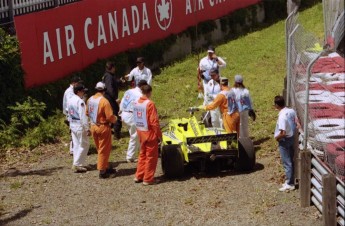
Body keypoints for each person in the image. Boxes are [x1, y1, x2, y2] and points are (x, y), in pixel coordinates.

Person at [133, 84, 162, 185]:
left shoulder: (136, 102)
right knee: (151, 157)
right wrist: (159, 135)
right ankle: (148, 179)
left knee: (142, 155)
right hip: (149, 133)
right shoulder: (150, 104)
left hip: (140, 131)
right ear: (150, 92)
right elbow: (154, 122)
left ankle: (139, 175)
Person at [87, 82, 118, 179]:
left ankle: (105, 166)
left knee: (99, 148)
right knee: (104, 150)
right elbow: (109, 116)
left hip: (93, 126)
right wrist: (116, 119)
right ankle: (102, 171)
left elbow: (87, 112)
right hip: (103, 127)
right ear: (104, 90)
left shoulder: (90, 99)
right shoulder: (104, 101)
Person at [119, 80, 148, 163]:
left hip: (124, 113)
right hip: (131, 115)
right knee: (134, 136)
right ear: (142, 86)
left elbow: (122, 101)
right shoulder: (139, 95)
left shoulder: (129, 91)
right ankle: (130, 156)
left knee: (134, 135)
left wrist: (120, 112)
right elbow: (140, 108)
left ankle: (137, 153)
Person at [273, 95, 295, 192]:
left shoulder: (282, 117)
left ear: (277, 105)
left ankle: (289, 183)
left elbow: (283, 132)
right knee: (290, 160)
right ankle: (290, 180)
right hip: (291, 138)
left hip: (284, 140)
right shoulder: (291, 111)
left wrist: (277, 138)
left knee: (287, 162)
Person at [67, 83, 90, 173]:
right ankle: (77, 164)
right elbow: (83, 116)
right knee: (84, 144)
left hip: (73, 124)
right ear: (78, 92)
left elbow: (68, 113)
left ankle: (77, 163)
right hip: (79, 125)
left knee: (76, 145)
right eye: (83, 91)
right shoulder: (80, 101)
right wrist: (87, 128)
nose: (84, 93)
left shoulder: (70, 100)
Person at [62, 75, 82, 155]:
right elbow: (70, 105)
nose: (79, 85)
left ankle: (74, 148)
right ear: (74, 83)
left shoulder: (72, 90)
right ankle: (73, 149)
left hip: (72, 114)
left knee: (73, 132)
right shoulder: (69, 92)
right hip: (71, 114)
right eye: (78, 83)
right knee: (73, 132)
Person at [102, 61, 122, 139]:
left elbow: (113, 83)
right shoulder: (109, 77)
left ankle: (110, 129)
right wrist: (115, 98)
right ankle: (117, 134)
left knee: (111, 114)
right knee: (116, 114)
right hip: (110, 99)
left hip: (108, 98)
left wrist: (120, 81)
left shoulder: (108, 75)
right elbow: (110, 89)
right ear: (112, 68)